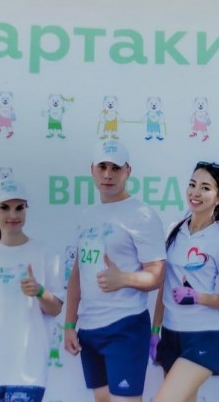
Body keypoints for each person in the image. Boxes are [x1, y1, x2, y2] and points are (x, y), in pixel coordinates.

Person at [64, 140, 166, 402]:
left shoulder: (142, 214)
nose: (108, 174)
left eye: (116, 168)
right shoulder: (87, 215)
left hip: (125, 325)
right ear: (92, 170)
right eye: (102, 167)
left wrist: (124, 279)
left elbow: (158, 274)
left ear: (128, 171)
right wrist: (70, 324)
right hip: (89, 329)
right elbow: (78, 273)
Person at [0, 178, 63, 402]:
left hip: (28, 372)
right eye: (4, 208)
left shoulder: (45, 254)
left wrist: (39, 291)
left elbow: (55, 309)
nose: (13, 215)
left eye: (19, 208)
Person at [150, 160, 219, 402]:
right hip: (171, 333)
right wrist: (155, 330)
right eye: (192, 184)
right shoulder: (174, 230)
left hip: (203, 335)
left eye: (205, 188)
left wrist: (198, 297)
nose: (195, 192)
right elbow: (164, 286)